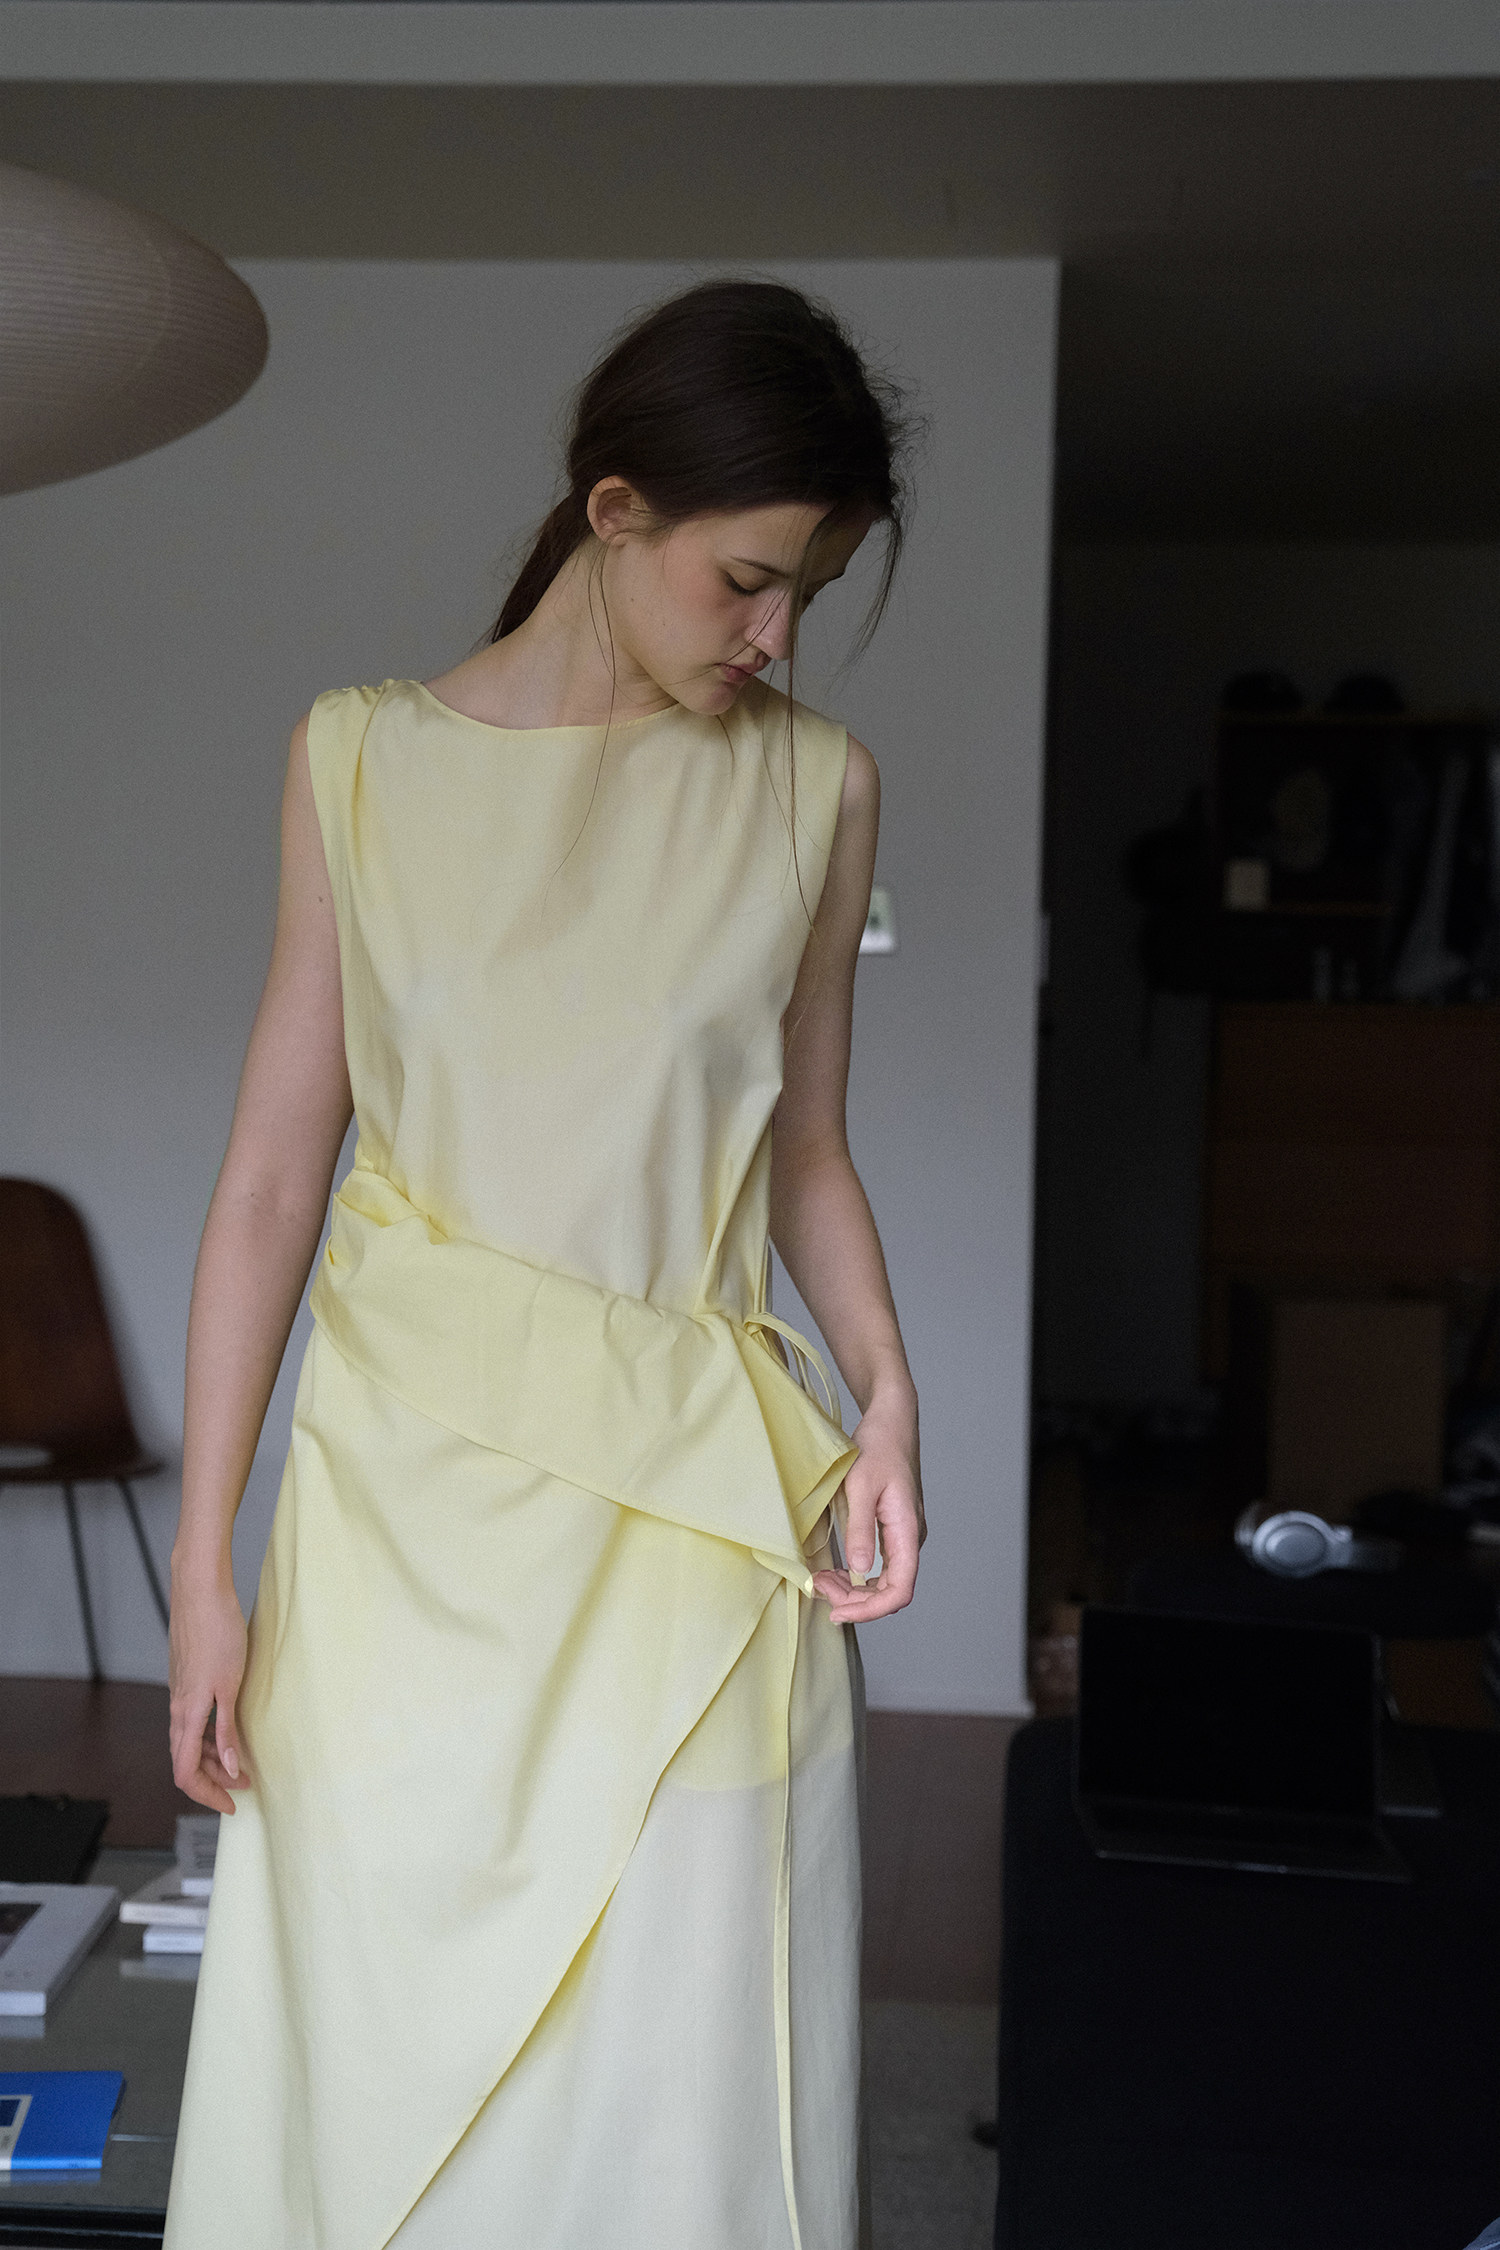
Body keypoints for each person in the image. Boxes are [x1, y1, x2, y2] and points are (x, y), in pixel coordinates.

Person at [163, 277, 925, 2250]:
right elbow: (272, 1177)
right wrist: (204, 1568)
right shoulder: (356, 761)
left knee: (678, 2121)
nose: (773, 636)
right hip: (395, 1539)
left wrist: (888, 1394)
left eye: (811, 595)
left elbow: (809, 1153)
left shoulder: (819, 787)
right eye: (747, 580)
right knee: (379, 2088)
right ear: (614, 513)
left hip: (692, 1535)